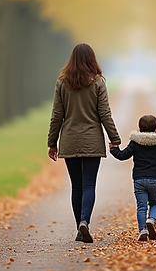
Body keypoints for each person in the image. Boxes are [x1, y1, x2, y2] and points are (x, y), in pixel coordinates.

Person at [47, 43, 121, 243]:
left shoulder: (62, 83)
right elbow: (105, 114)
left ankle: (79, 229)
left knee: (76, 186)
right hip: (92, 141)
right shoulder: (97, 83)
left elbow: (57, 116)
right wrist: (115, 138)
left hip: (70, 140)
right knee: (89, 184)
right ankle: (85, 221)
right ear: (91, 59)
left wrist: (52, 142)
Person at [110, 114, 156, 241]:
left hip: (139, 179)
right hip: (155, 179)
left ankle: (142, 230)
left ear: (139, 129)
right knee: (155, 202)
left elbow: (123, 155)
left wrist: (113, 149)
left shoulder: (135, 143)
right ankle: (151, 219)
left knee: (141, 206)